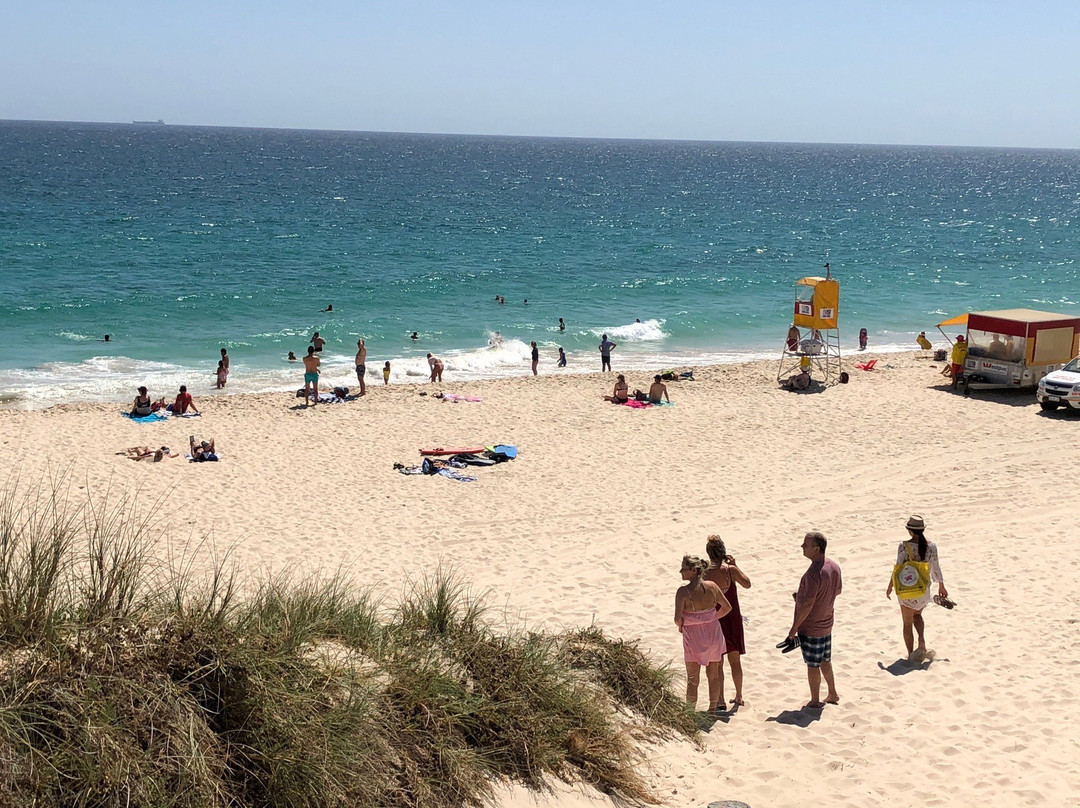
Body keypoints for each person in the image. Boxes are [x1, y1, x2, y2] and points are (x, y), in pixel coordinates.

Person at [788, 531, 842, 709]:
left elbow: (808, 604)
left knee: (813, 665)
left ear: (816, 549)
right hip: (827, 623)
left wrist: (794, 628)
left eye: (806, 545)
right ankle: (832, 693)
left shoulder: (813, 573)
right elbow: (836, 591)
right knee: (825, 660)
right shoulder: (833, 566)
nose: (802, 547)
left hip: (812, 627)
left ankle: (815, 699)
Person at [886, 515, 948, 663]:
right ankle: (921, 641)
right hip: (923, 590)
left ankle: (911, 654)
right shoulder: (931, 547)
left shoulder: (903, 546)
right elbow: (936, 568)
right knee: (917, 616)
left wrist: (890, 586)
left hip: (907, 591)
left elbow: (898, 568)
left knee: (907, 624)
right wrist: (941, 585)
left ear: (910, 530)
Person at [674, 555, 733, 713]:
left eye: (684, 568)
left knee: (693, 679)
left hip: (693, 637)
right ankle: (712, 710)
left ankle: (690, 712)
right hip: (713, 633)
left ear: (694, 570)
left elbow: (677, 619)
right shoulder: (712, 586)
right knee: (713, 675)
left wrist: (687, 624)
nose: (681, 571)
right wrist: (711, 618)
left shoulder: (683, 592)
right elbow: (727, 607)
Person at [704, 535, 752, 708]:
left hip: (715, 618)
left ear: (708, 553)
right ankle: (739, 695)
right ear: (723, 551)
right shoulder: (730, 571)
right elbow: (747, 584)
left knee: (718, 662)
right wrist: (736, 565)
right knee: (735, 660)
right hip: (732, 618)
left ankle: (721, 699)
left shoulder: (705, 573)